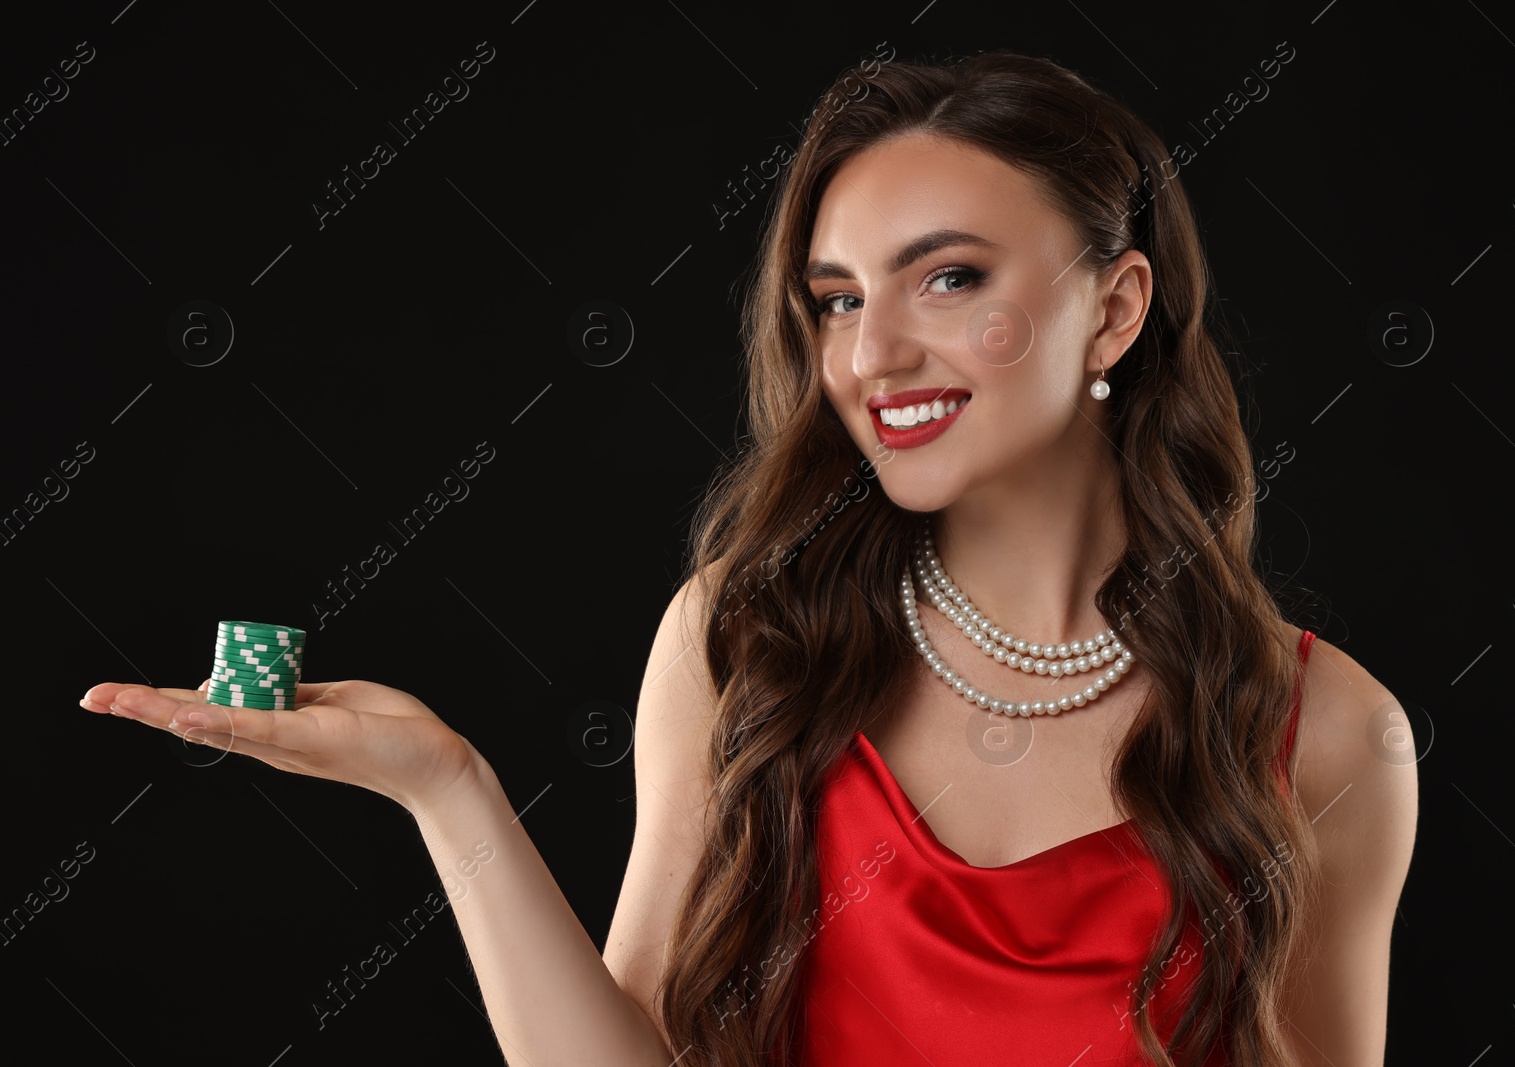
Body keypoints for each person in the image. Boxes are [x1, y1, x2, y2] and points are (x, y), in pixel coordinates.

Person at [81, 49, 1418, 1067]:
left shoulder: (1335, 735)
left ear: (1116, 309)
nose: (870, 354)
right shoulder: (745, 639)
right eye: (836, 299)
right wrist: (450, 795)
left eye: (947, 279)